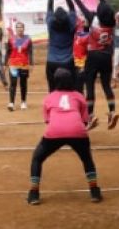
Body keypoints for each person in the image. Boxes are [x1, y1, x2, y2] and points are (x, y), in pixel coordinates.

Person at [27, 68, 102, 206]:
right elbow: (84, 122)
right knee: (87, 159)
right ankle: (94, 191)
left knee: (37, 158)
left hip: (54, 131)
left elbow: (49, 121)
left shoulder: (49, 98)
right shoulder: (79, 96)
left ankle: (34, 193)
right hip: (78, 131)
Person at [68, 0, 119, 128]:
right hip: (106, 56)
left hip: (93, 55)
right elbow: (104, 4)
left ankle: (90, 116)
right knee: (106, 86)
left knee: (89, 86)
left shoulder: (93, 19)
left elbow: (81, 6)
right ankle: (112, 111)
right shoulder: (111, 22)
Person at [44, 0, 79, 91]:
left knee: (52, 90)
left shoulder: (51, 24)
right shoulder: (71, 25)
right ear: (67, 17)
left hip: (52, 62)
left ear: (54, 18)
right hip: (68, 62)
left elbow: (49, 9)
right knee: (70, 89)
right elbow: (73, 9)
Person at [6, 22, 33, 111]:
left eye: (21, 27)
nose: (19, 29)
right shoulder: (11, 39)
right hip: (13, 64)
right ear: (15, 29)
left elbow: (30, 52)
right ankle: (11, 103)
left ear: (23, 29)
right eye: (18, 27)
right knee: (13, 83)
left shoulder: (28, 39)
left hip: (24, 64)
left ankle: (23, 102)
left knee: (23, 84)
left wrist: (31, 63)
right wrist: (5, 63)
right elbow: (8, 52)